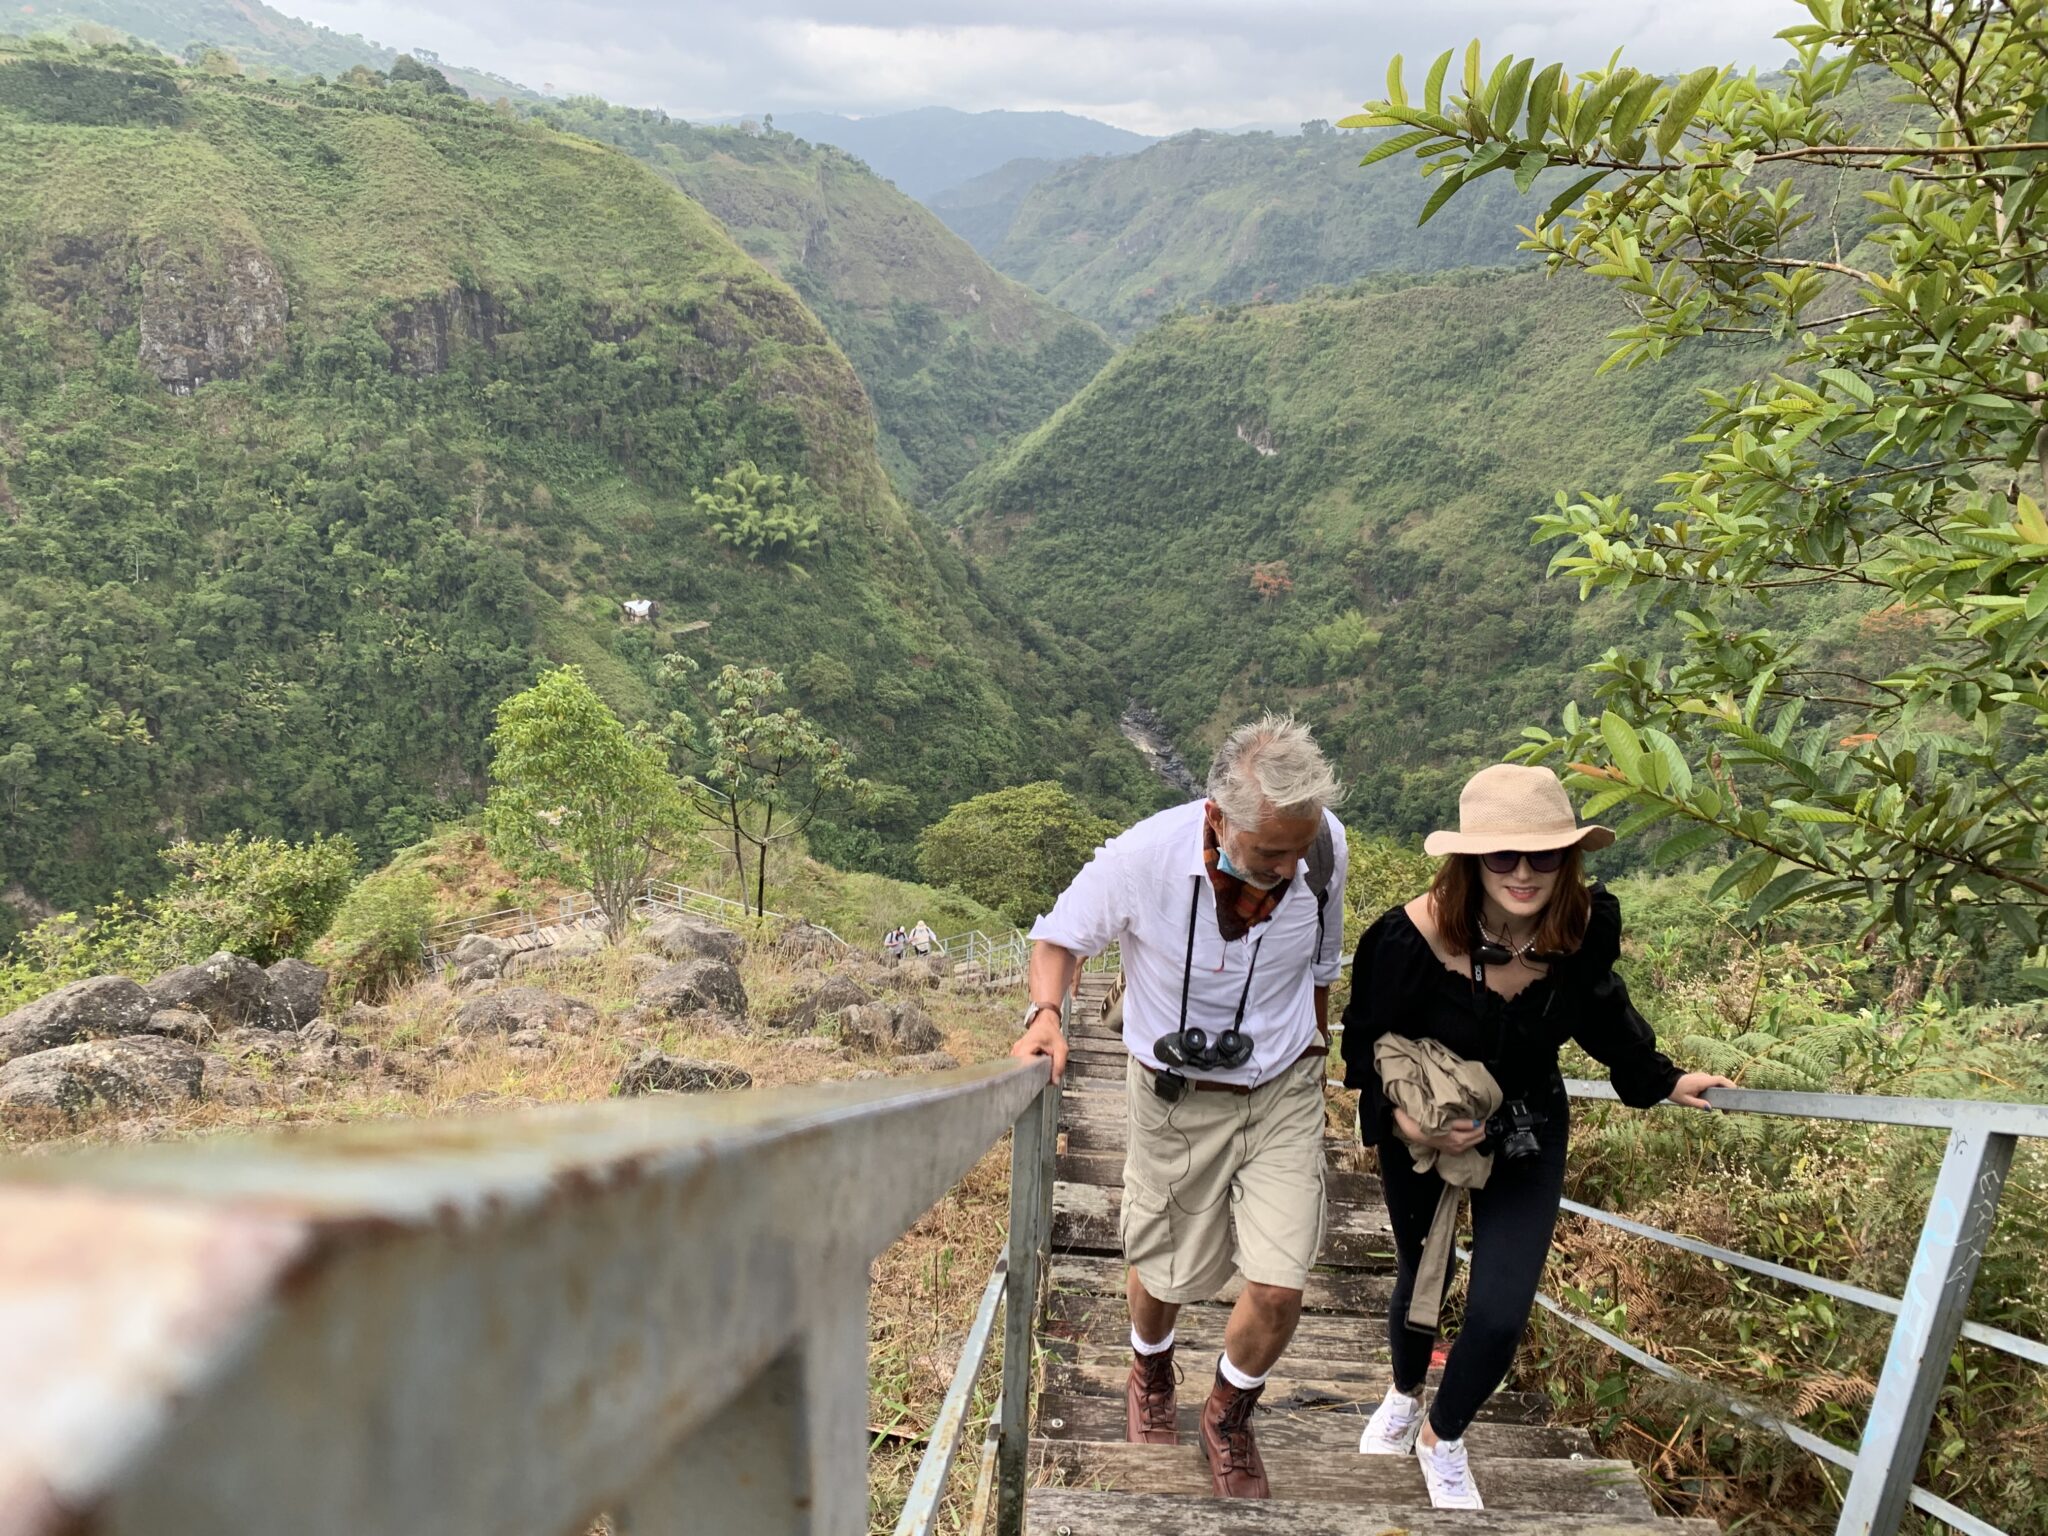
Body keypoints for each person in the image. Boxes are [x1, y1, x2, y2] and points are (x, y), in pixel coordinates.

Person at [1341, 763, 1734, 1510]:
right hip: (1424, 1129)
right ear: (1470, 860)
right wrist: (1407, 1124)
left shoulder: (1581, 927)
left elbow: (1601, 1012)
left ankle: (1442, 1435)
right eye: (1502, 856)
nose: (1523, 874)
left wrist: (1660, 1077)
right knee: (1421, 1274)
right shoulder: (1406, 939)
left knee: (1499, 1308)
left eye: (1543, 856)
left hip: (1528, 1123)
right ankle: (1401, 1393)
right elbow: (1363, 1046)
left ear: (1569, 858)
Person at [1012, 715, 1348, 1499]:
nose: (1287, 867)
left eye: (1297, 851)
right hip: (1174, 1092)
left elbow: (1321, 963)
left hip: (1283, 1087)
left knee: (1281, 1279)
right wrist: (1046, 1016)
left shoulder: (1323, 847)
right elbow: (1060, 940)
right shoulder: (1143, 859)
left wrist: (1322, 1053)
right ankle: (1151, 1368)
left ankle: (1229, 1413)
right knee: (1164, 1266)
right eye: (1270, 853)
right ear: (1216, 815)